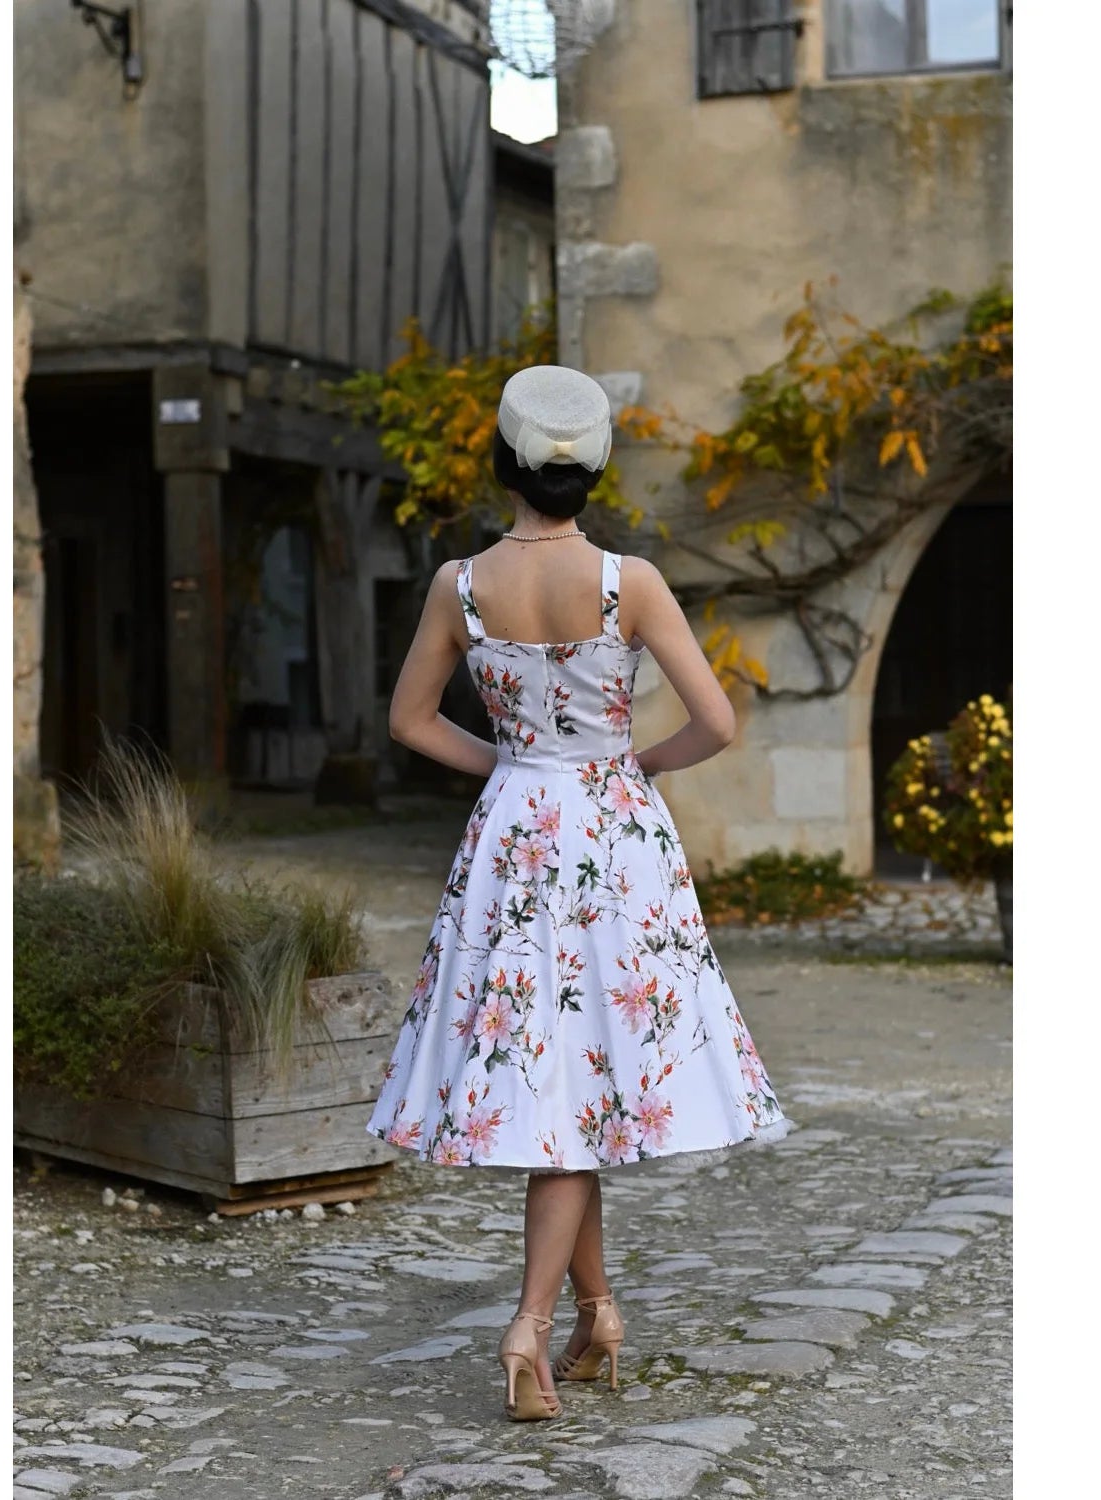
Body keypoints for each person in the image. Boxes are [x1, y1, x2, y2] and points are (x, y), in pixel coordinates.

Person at [365, 364, 794, 1421]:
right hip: (613, 840)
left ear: (504, 464)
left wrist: (513, 768)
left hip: (514, 836)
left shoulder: (458, 585)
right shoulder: (628, 582)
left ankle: (598, 1313)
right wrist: (628, 766)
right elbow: (718, 724)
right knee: (579, 1086)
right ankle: (528, 1325)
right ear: (594, 468)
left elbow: (411, 722)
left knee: (565, 1082)